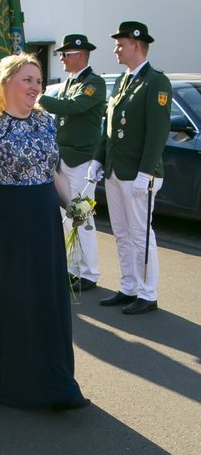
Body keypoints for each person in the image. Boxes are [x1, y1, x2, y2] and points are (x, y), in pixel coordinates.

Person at [0, 53, 90, 411]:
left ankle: (52, 381)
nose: (35, 87)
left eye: (38, 81)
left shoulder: (45, 121)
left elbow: (51, 171)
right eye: (27, 79)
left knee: (42, 299)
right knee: (10, 300)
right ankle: (8, 380)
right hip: (2, 224)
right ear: (6, 83)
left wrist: (72, 204)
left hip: (42, 222)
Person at [90, 21, 172, 314]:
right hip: (116, 170)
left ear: (136, 45)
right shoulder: (123, 81)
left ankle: (147, 293)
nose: (116, 49)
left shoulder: (156, 82)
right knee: (122, 233)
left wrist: (146, 172)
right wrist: (99, 159)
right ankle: (128, 287)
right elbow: (109, 127)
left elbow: (157, 133)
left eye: (120, 44)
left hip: (138, 173)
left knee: (140, 235)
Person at [40, 34, 106, 291]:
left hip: (82, 159)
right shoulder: (69, 82)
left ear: (80, 55)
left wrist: (39, 98)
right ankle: (73, 267)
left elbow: (73, 107)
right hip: (64, 158)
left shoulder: (93, 83)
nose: (62, 59)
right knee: (68, 216)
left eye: (65, 54)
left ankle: (88, 273)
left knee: (82, 215)